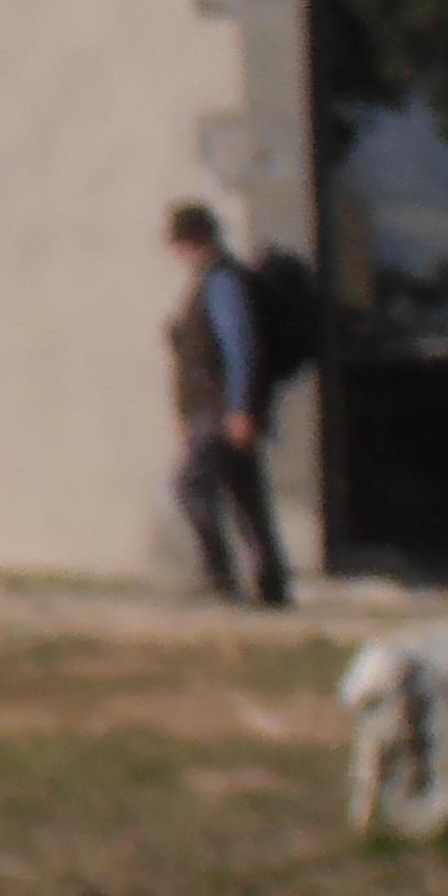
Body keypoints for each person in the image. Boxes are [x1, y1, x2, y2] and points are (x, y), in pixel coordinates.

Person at [165, 203, 290, 608]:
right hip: (218, 410)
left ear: (191, 240)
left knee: (192, 487)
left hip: (219, 412)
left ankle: (219, 575)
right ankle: (271, 585)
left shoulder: (222, 283)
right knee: (245, 497)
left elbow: (241, 347)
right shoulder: (215, 280)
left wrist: (241, 410)